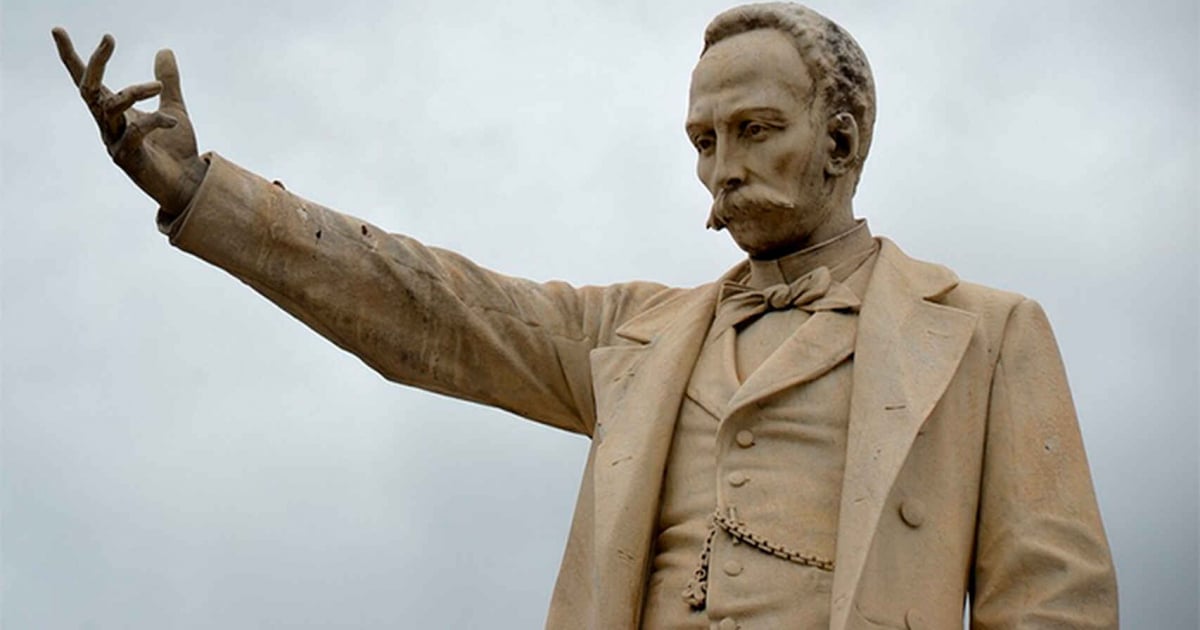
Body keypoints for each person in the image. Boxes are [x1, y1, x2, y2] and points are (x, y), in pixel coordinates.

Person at [53, 3, 1117, 628]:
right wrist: (204, 196)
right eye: (704, 141)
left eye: (754, 130)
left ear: (842, 140)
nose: (724, 168)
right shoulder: (638, 337)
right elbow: (428, 308)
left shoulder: (982, 333)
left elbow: (1054, 603)